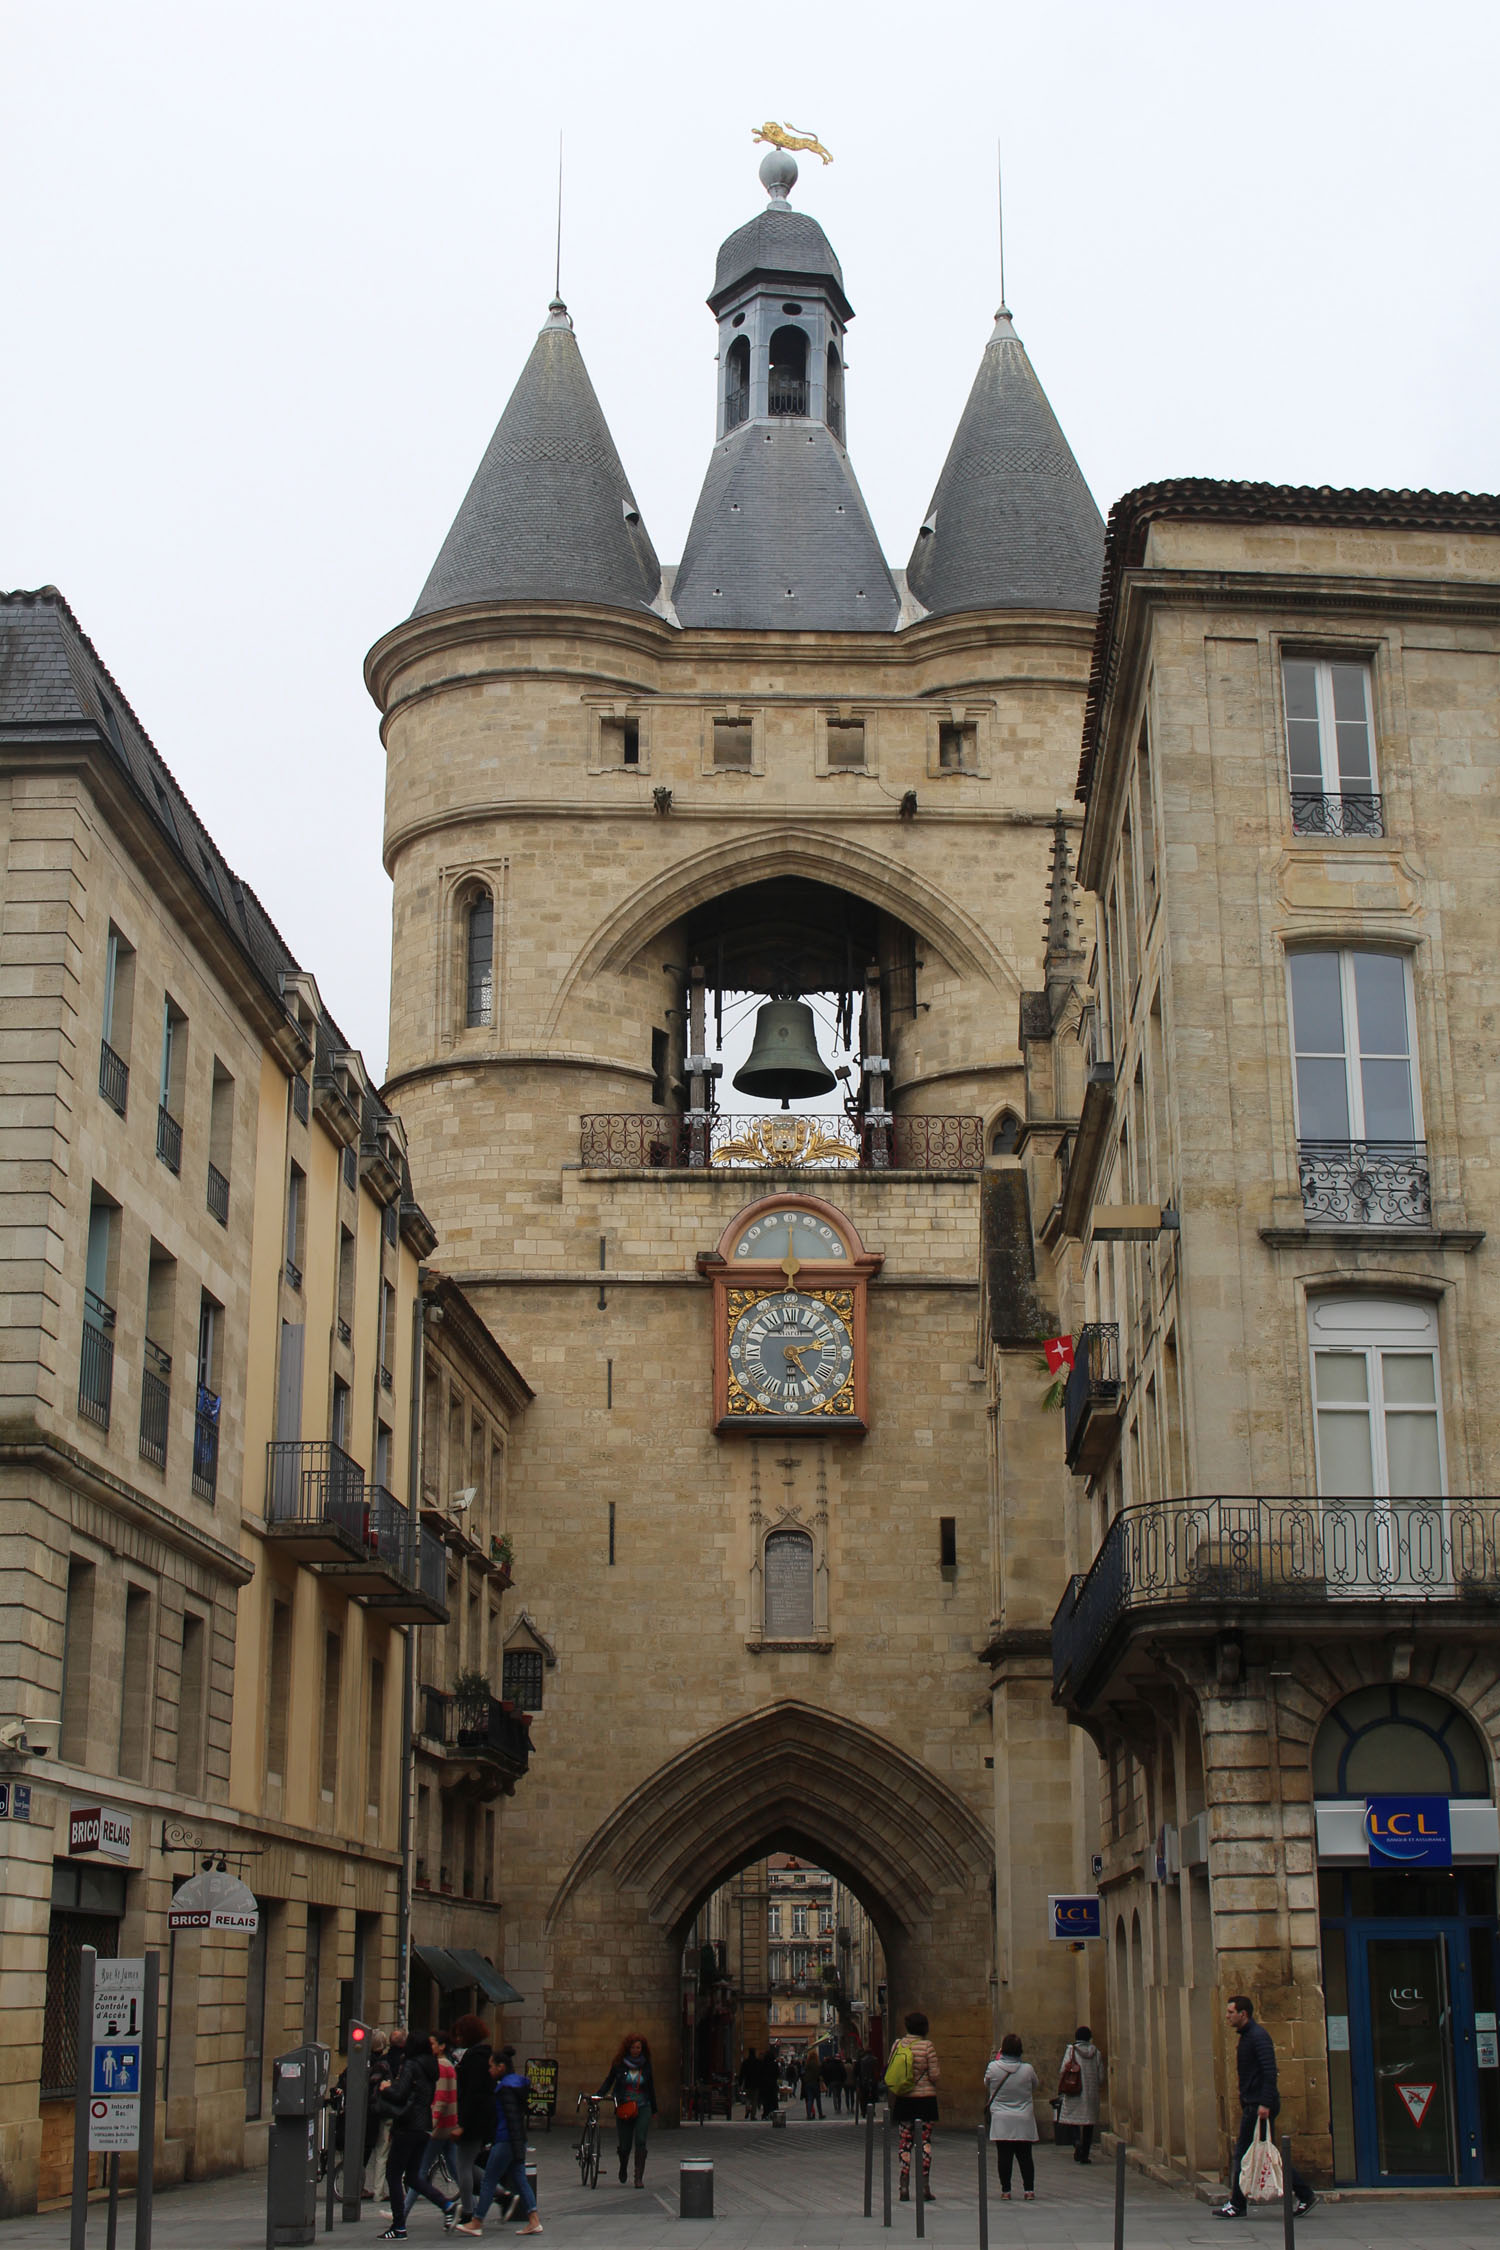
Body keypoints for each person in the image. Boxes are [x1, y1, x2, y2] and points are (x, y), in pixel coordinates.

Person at [1214, 1997, 1316, 2220]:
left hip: (1259, 2106)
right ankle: (1304, 2194)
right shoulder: (1248, 2037)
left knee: (1246, 2154)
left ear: (1243, 2014)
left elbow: (1270, 2071)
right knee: (1265, 2155)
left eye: (1231, 2012)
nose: (1227, 2016)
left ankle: (1238, 2204)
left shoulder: (1258, 2037)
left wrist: (1265, 2104)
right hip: (1254, 2104)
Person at [377, 2033, 456, 2240]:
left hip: (407, 2126)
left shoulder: (411, 2065)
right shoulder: (432, 2066)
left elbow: (400, 2093)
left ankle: (399, 2226)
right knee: (412, 2176)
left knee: (393, 2175)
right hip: (423, 2127)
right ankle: (447, 2205)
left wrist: (386, 2089)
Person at [456, 2045, 540, 2237]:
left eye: (492, 2066)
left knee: (489, 2180)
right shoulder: (517, 2085)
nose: (489, 2070)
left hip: (505, 2139)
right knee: (519, 2178)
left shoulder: (505, 2088)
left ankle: (476, 2221)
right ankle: (534, 2220)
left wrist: (505, 2140)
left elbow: (509, 2117)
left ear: (501, 2067)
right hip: (515, 2139)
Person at [888, 2010, 940, 2202]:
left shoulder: (897, 2044)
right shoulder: (928, 2047)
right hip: (925, 2100)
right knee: (925, 2143)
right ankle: (924, 2186)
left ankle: (903, 2185)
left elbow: (891, 2068)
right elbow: (935, 2075)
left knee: (905, 2142)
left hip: (904, 2100)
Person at [985, 2032, 1040, 2200]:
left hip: (1001, 2118)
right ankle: (1029, 2190)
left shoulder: (993, 2067)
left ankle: (1006, 2190)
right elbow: (1036, 2085)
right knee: (1025, 2156)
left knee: (1004, 2156)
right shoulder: (1027, 2069)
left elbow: (986, 2083)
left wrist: (997, 2057)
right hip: (1023, 2117)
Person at [451, 2013, 494, 2226]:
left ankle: (469, 2211)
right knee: (466, 2164)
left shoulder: (474, 2058)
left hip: (472, 2121)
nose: (457, 2039)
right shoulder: (483, 2056)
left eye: (460, 2035)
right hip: (479, 2120)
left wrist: (463, 2124)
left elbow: (472, 2094)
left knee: (463, 2165)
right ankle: (501, 2195)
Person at [597, 2032, 656, 2188]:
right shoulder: (619, 2064)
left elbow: (651, 2086)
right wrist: (599, 2095)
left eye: (639, 2047)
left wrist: (654, 2108)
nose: (636, 2050)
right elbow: (609, 2080)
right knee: (625, 2144)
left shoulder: (646, 2064)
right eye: (633, 2047)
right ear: (627, 2048)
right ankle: (623, 2165)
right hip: (625, 2105)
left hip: (643, 2105)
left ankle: (638, 2177)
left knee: (641, 2139)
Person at [1057, 2026, 1105, 2164]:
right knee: (1088, 2125)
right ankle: (1085, 2154)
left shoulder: (1071, 2050)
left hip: (1074, 2091)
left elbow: (1063, 2069)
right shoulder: (1096, 2052)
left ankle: (1076, 2141)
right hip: (1091, 2094)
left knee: (1073, 2120)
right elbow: (1101, 2076)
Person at [798, 2047, 824, 2119]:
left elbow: (803, 2073)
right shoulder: (817, 2065)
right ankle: (820, 2114)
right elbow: (819, 2074)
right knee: (818, 2100)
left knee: (810, 2099)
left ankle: (809, 2115)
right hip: (815, 2083)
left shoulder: (807, 2065)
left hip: (808, 2083)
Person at [853, 2046, 877, 2120]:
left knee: (863, 2098)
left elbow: (857, 2072)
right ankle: (872, 2111)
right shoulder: (875, 2059)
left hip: (863, 2082)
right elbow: (876, 2071)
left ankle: (863, 2111)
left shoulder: (861, 2060)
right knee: (872, 2097)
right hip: (873, 2081)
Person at [736, 2046, 760, 2120]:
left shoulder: (745, 2062)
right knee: (754, 2100)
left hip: (748, 2084)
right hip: (756, 2084)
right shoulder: (757, 2062)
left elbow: (742, 2074)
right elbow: (760, 2074)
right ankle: (753, 2116)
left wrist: (740, 2084)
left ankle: (747, 2108)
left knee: (748, 2099)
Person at [823, 2049, 847, 2114]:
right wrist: (843, 2081)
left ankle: (836, 2108)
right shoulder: (841, 2065)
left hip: (833, 2082)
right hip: (839, 2082)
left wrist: (828, 2081)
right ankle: (839, 2108)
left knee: (834, 2095)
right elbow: (844, 2074)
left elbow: (828, 2073)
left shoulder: (831, 2065)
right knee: (839, 2096)